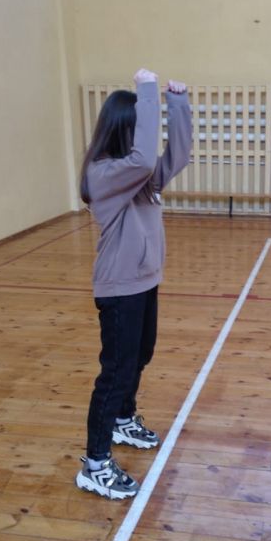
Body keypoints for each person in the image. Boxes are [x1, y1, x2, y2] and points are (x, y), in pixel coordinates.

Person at [76, 68, 192, 500]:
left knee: (140, 356)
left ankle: (124, 419)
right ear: (125, 129)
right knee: (115, 372)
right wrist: (147, 91)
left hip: (144, 281)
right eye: (141, 123)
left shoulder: (140, 177)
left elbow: (176, 157)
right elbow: (144, 159)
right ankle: (95, 464)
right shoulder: (104, 173)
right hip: (119, 288)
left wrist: (177, 105)